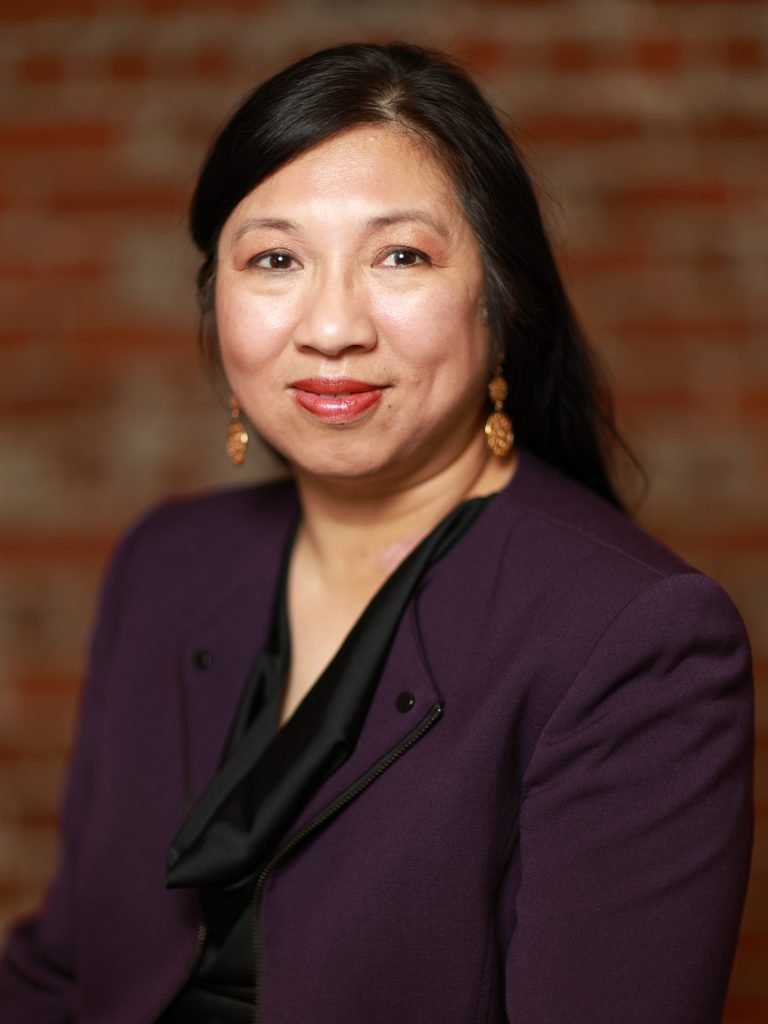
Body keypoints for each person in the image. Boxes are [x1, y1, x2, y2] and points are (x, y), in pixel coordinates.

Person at [0, 41, 753, 1024]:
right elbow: (64, 972)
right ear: (215, 299)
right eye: (275, 260)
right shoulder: (169, 563)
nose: (332, 328)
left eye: (401, 256)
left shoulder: (636, 637)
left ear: (500, 297)